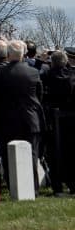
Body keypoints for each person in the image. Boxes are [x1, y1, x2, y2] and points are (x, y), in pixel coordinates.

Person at [0, 39, 44, 188]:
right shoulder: (33, 72)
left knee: (7, 156)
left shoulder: (0, 73)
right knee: (32, 154)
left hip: (5, 120)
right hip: (29, 118)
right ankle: (33, 187)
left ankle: (13, 184)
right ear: (23, 55)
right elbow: (39, 95)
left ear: (8, 55)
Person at [41, 50, 75, 196]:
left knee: (53, 153)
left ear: (52, 62)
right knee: (71, 152)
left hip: (52, 119)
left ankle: (57, 187)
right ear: (66, 61)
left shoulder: (46, 75)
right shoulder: (72, 75)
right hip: (71, 119)